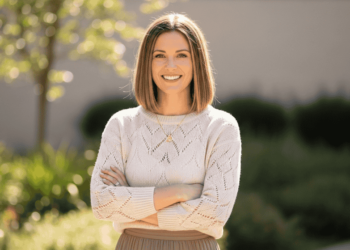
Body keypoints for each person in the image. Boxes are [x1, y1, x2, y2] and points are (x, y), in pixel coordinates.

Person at [90, 13, 242, 250]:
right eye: (159, 56)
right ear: (146, 64)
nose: (170, 66)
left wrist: (131, 205)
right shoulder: (122, 125)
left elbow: (212, 214)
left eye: (182, 55)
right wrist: (180, 192)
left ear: (197, 62)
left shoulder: (221, 128)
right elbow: (102, 204)